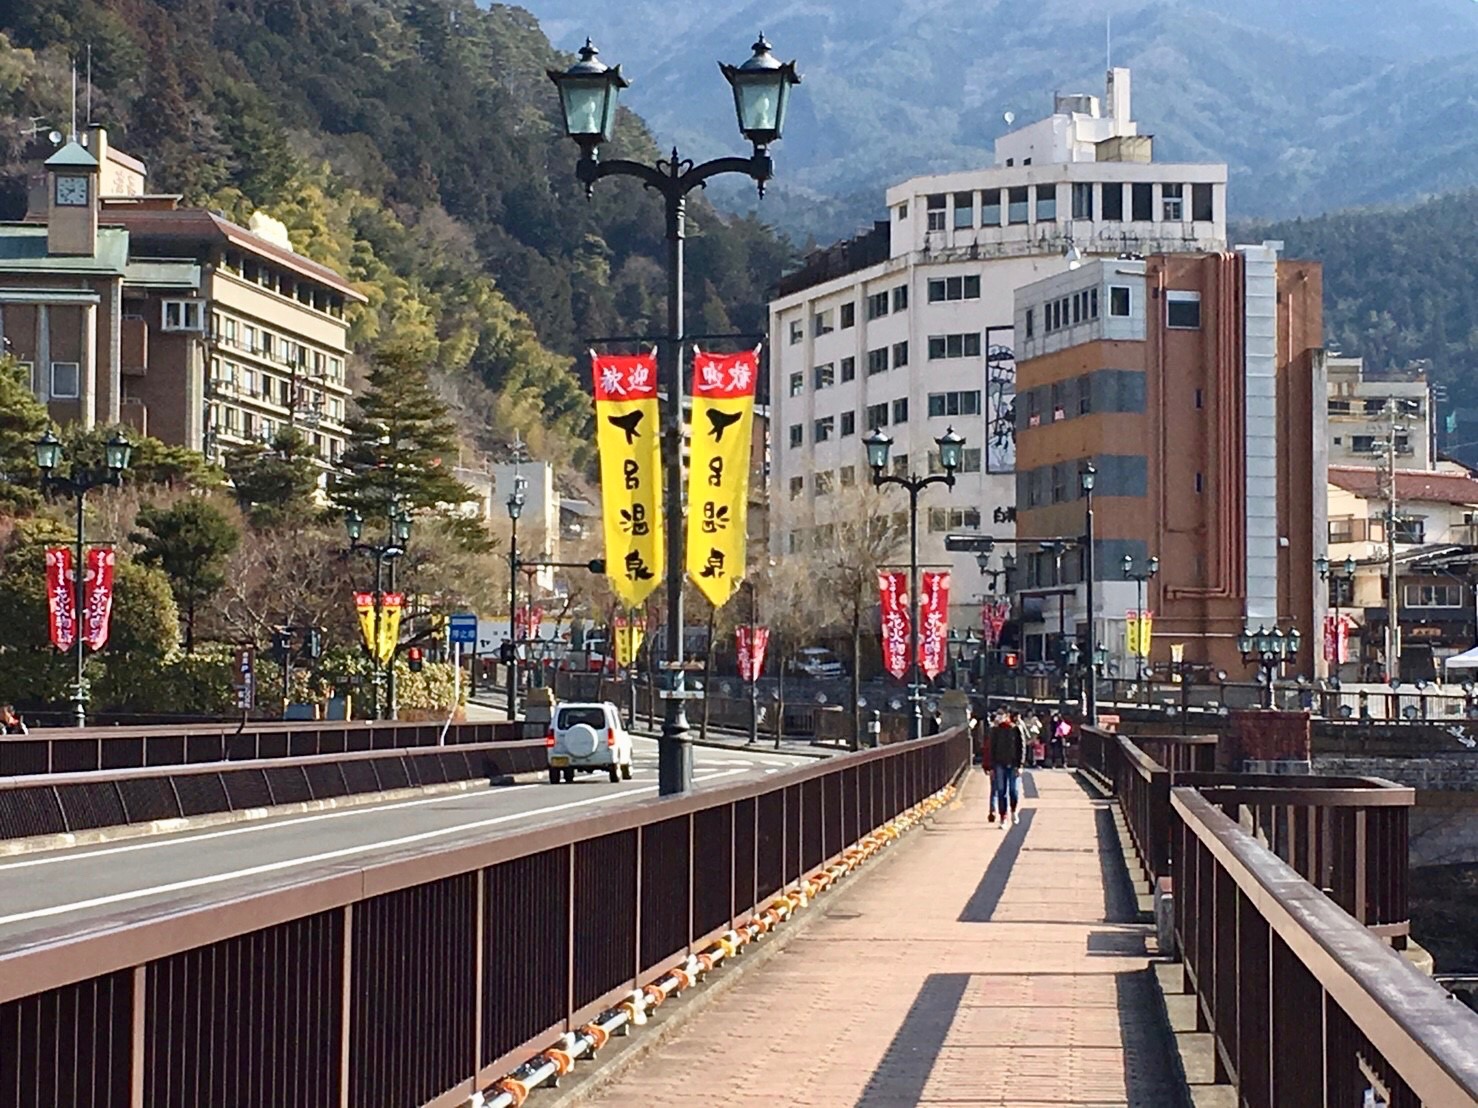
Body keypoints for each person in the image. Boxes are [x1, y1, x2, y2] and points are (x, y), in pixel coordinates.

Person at [987, 710, 1026, 827]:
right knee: (1001, 791)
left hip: (1013, 764)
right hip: (999, 763)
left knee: (1014, 790)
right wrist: (991, 767)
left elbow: (1022, 747)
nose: (1000, 717)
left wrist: (1020, 765)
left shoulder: (1016, 729)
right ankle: (1003, 817)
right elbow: (992, 749)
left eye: (1002, 715)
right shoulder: (995, 730)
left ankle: (1014, 810)